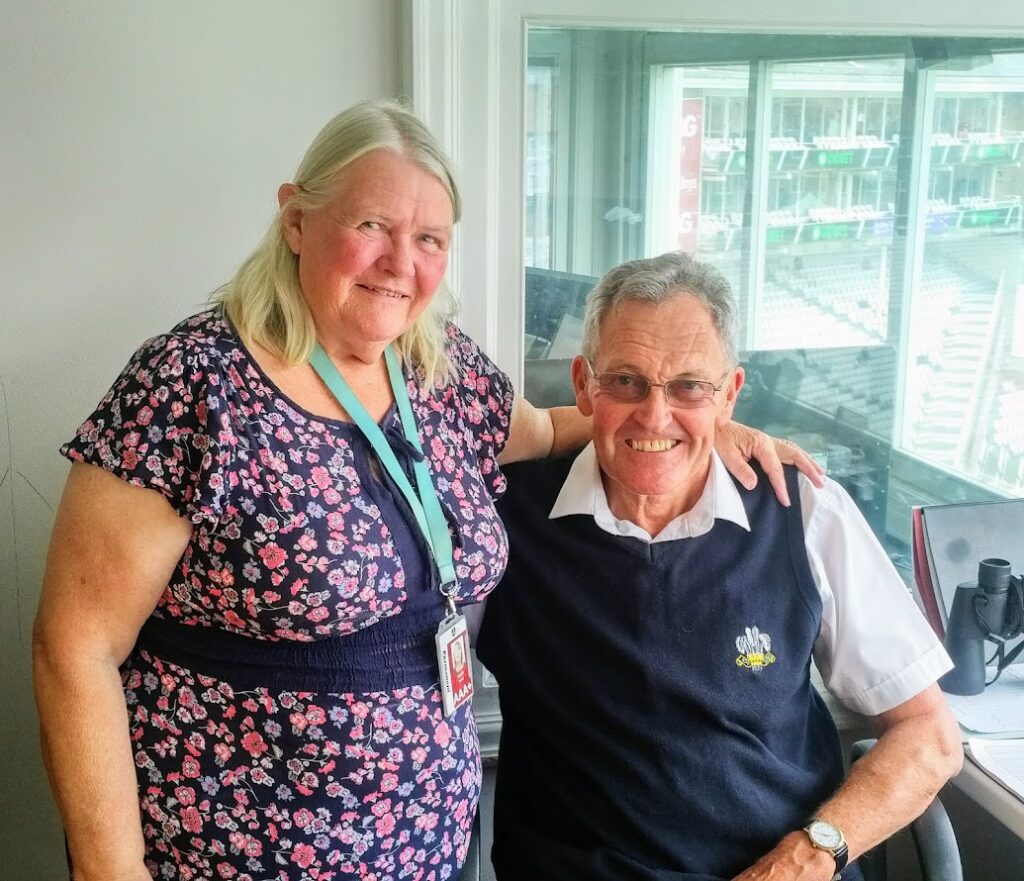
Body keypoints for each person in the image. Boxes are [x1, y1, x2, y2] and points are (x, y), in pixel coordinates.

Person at [32, 101, 816, 881]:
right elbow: (75, 646)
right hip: (231, 848)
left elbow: (551, 427)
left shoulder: (441, 370)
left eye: (429, 239)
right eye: (372, 225)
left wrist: (698, 423)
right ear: (296, 220)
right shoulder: (191, 385)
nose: (400, 262)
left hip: (426, 849)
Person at [477, 251, 963, 881]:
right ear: (583, 384)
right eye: (625, 381)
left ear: (729, 395)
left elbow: (929, 735)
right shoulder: (497, 519)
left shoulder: (802, 510)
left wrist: (808, 857)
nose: (655, 415)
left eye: (690, 386)